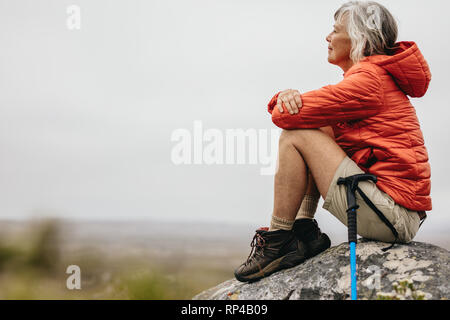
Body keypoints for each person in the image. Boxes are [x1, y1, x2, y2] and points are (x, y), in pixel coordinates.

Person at [234, 0, 432, 283]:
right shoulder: (373, 78)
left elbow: (285, 117)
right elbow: (307, 113)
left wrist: (283, 99)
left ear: (359, 38)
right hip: (393, 210)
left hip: (392, 213)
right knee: (318, 125)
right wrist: (289, 97)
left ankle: (278, 241)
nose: (328, 37)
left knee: (296, 135)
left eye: (335, 30)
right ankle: (303, 231)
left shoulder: (369, 81)